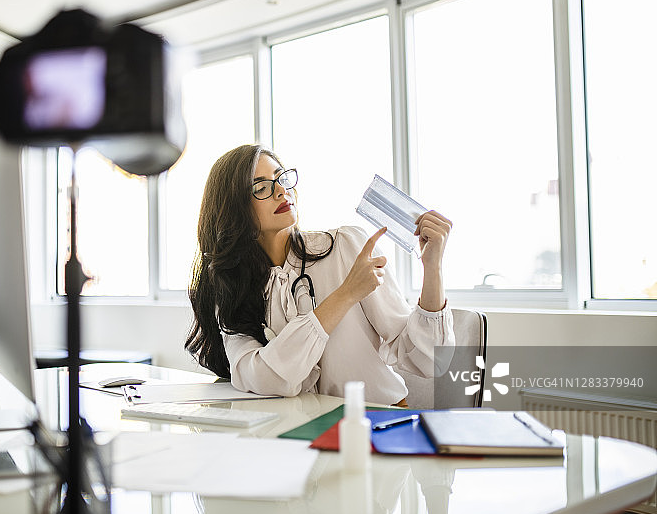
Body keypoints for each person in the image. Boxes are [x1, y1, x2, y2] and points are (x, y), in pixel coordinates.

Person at [185, 144, 455, 405]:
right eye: (261, 188)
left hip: (377, 420)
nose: (281, 191)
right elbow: (263, 378)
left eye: (282, 178)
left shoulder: (346, 247)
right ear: (234, 209)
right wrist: (345, 295)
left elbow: (429, 359)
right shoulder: (234, 288)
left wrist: (433, 268)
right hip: (300, 428)